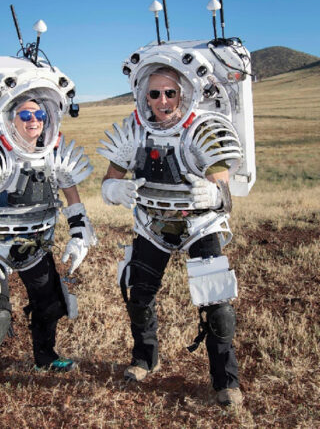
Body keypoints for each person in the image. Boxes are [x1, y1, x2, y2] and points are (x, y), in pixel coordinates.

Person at [0, 94, 96, 422]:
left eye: (39, 113)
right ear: (8, 117)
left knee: (52, 303)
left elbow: (73, 200)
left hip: (34, 246)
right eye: (24, 114)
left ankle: (45, 355)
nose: (33, 120)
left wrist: (79, 233)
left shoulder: (54, 152)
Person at [98, 65, 243, 407]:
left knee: (217, 306)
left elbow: (226, 194)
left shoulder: (202, 130)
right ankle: (145, 358)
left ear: (183, 94)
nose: (162, 100)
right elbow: (108, 179)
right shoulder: (133, 131)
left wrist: (215, 196)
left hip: (199, 227)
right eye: (155, 93)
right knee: (139, 296)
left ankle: (226, 381)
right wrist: (113, 189)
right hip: (152, 226)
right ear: (144, 96)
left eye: (170, 92)